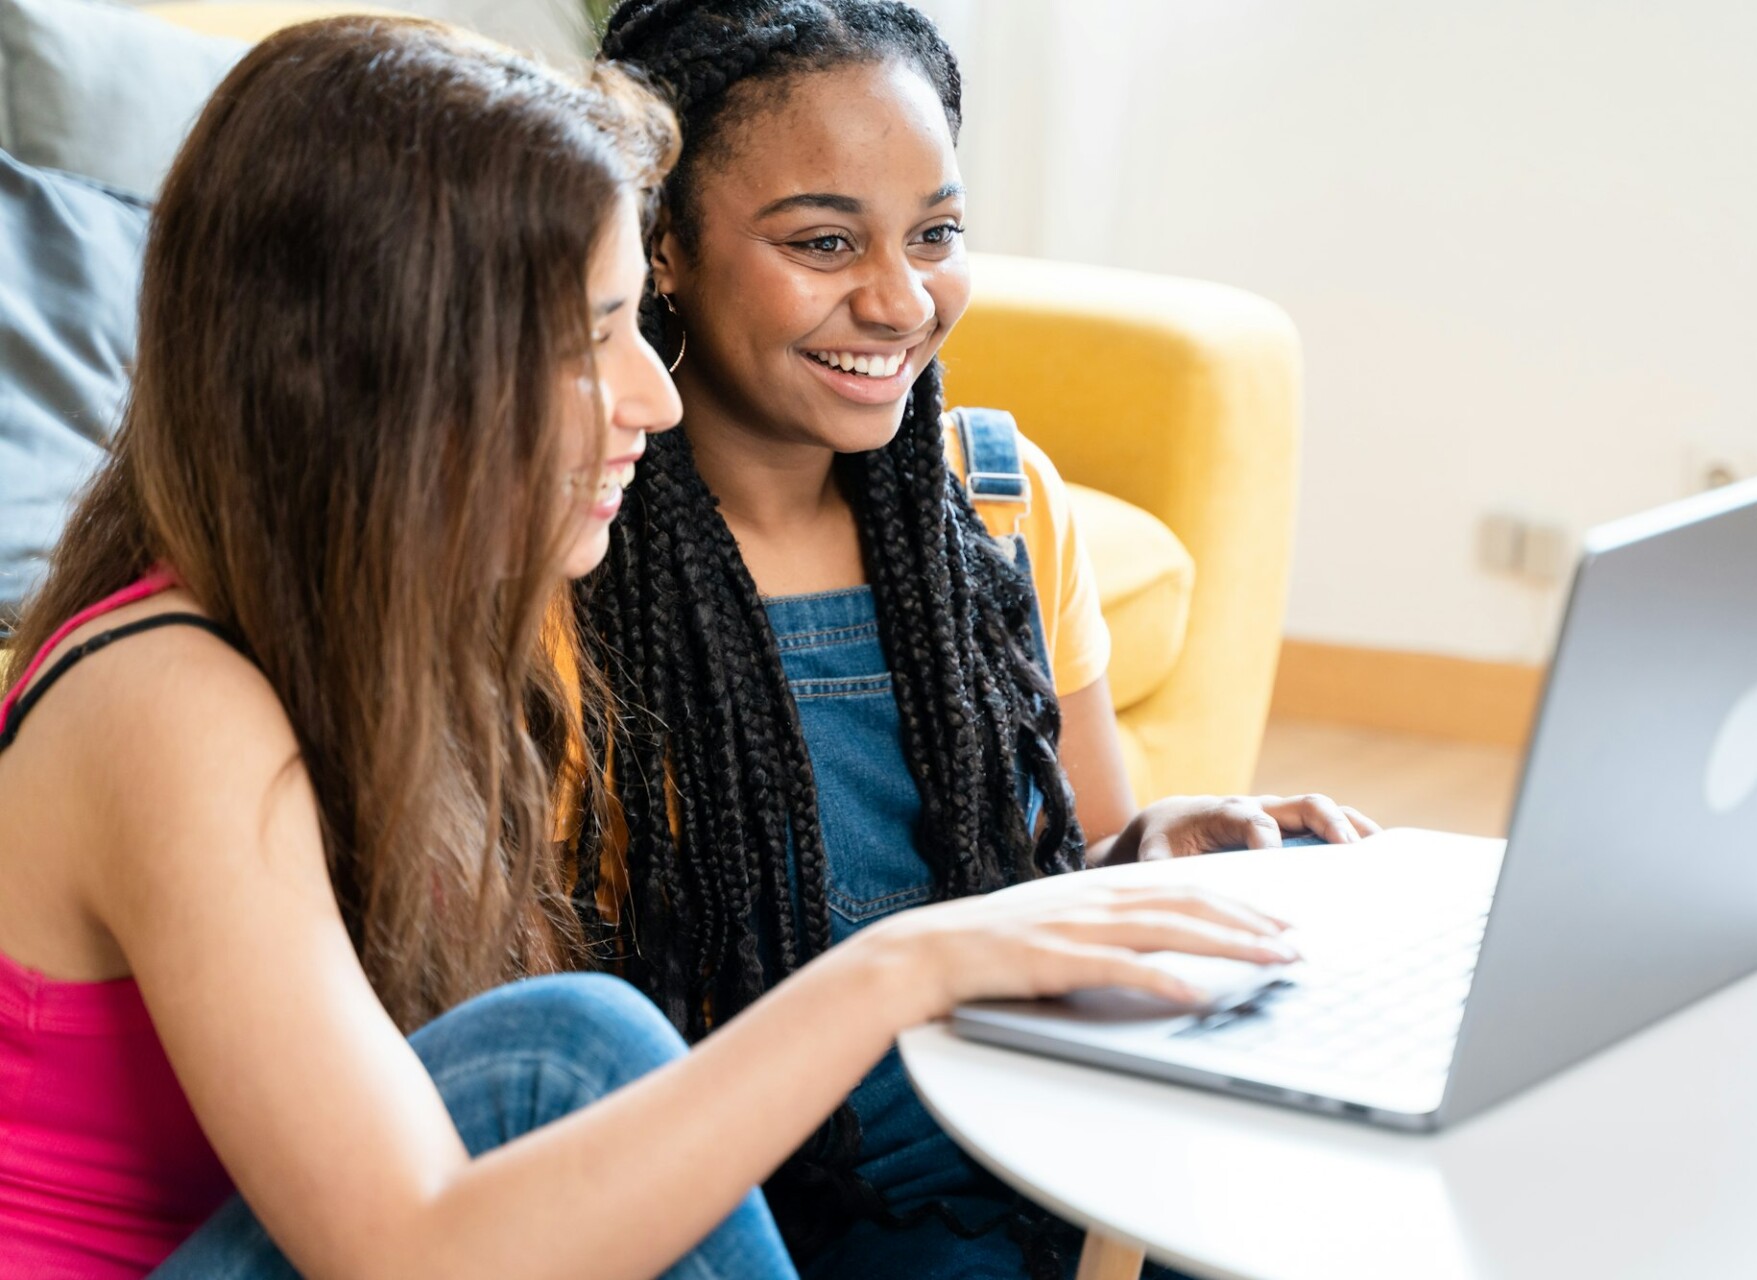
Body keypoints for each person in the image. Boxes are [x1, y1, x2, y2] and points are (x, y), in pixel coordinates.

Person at [0, 17, 1305, 1280]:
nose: (655, 393)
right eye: (589, 340)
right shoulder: (169, 700)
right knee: (568, 1052)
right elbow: (412, 1245)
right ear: (376, 371)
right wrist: (905, 964)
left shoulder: (390, 635)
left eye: (635, 322)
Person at [584, 3, 1380, 1274]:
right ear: (662, 245)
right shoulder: (583, 545)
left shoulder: (999, 504)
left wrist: (1148, 850)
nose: (900, 299)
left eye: (938, 233)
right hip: (759, 1213)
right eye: (825, 240)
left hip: (1030, 1162)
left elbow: (1080, 865)